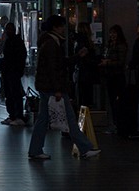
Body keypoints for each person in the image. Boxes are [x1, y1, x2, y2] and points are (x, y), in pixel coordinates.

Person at [27, 14, 101, 161]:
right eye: (61, 26)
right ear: (55, 27)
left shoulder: (48, 42)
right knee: (69, 118)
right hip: (53, 88)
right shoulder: (52, 44)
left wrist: (77, 56)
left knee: (43, 118)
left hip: (46, 87)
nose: (63, 29)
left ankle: (35, 149)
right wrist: (58, 89)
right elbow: (54, 68)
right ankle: (85, 147)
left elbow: (57, 64)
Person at [100, 24, 129, 138]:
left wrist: (107, 62)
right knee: (113, 101)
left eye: (114, 33)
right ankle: (117, 124)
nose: (112, 35)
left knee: (116, 102)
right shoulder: (111, 45)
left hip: (116, 76)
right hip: (111, 76)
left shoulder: (119, 46)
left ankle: (118, 125)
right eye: (111, 33)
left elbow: (120, 62)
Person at [0, 22, 27, 126]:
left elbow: (20, 57)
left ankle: (17, 115)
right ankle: (14, 115)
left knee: (14, 93)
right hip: (10, 71)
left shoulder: (13, 42)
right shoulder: (12, 41)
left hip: (12, 71)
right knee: (11, 93)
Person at [71, 21, 98, 111]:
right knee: (87, 95)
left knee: (82, 95)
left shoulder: (78, 42)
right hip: (87, 72)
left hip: (81, 71)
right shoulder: (87, 43)